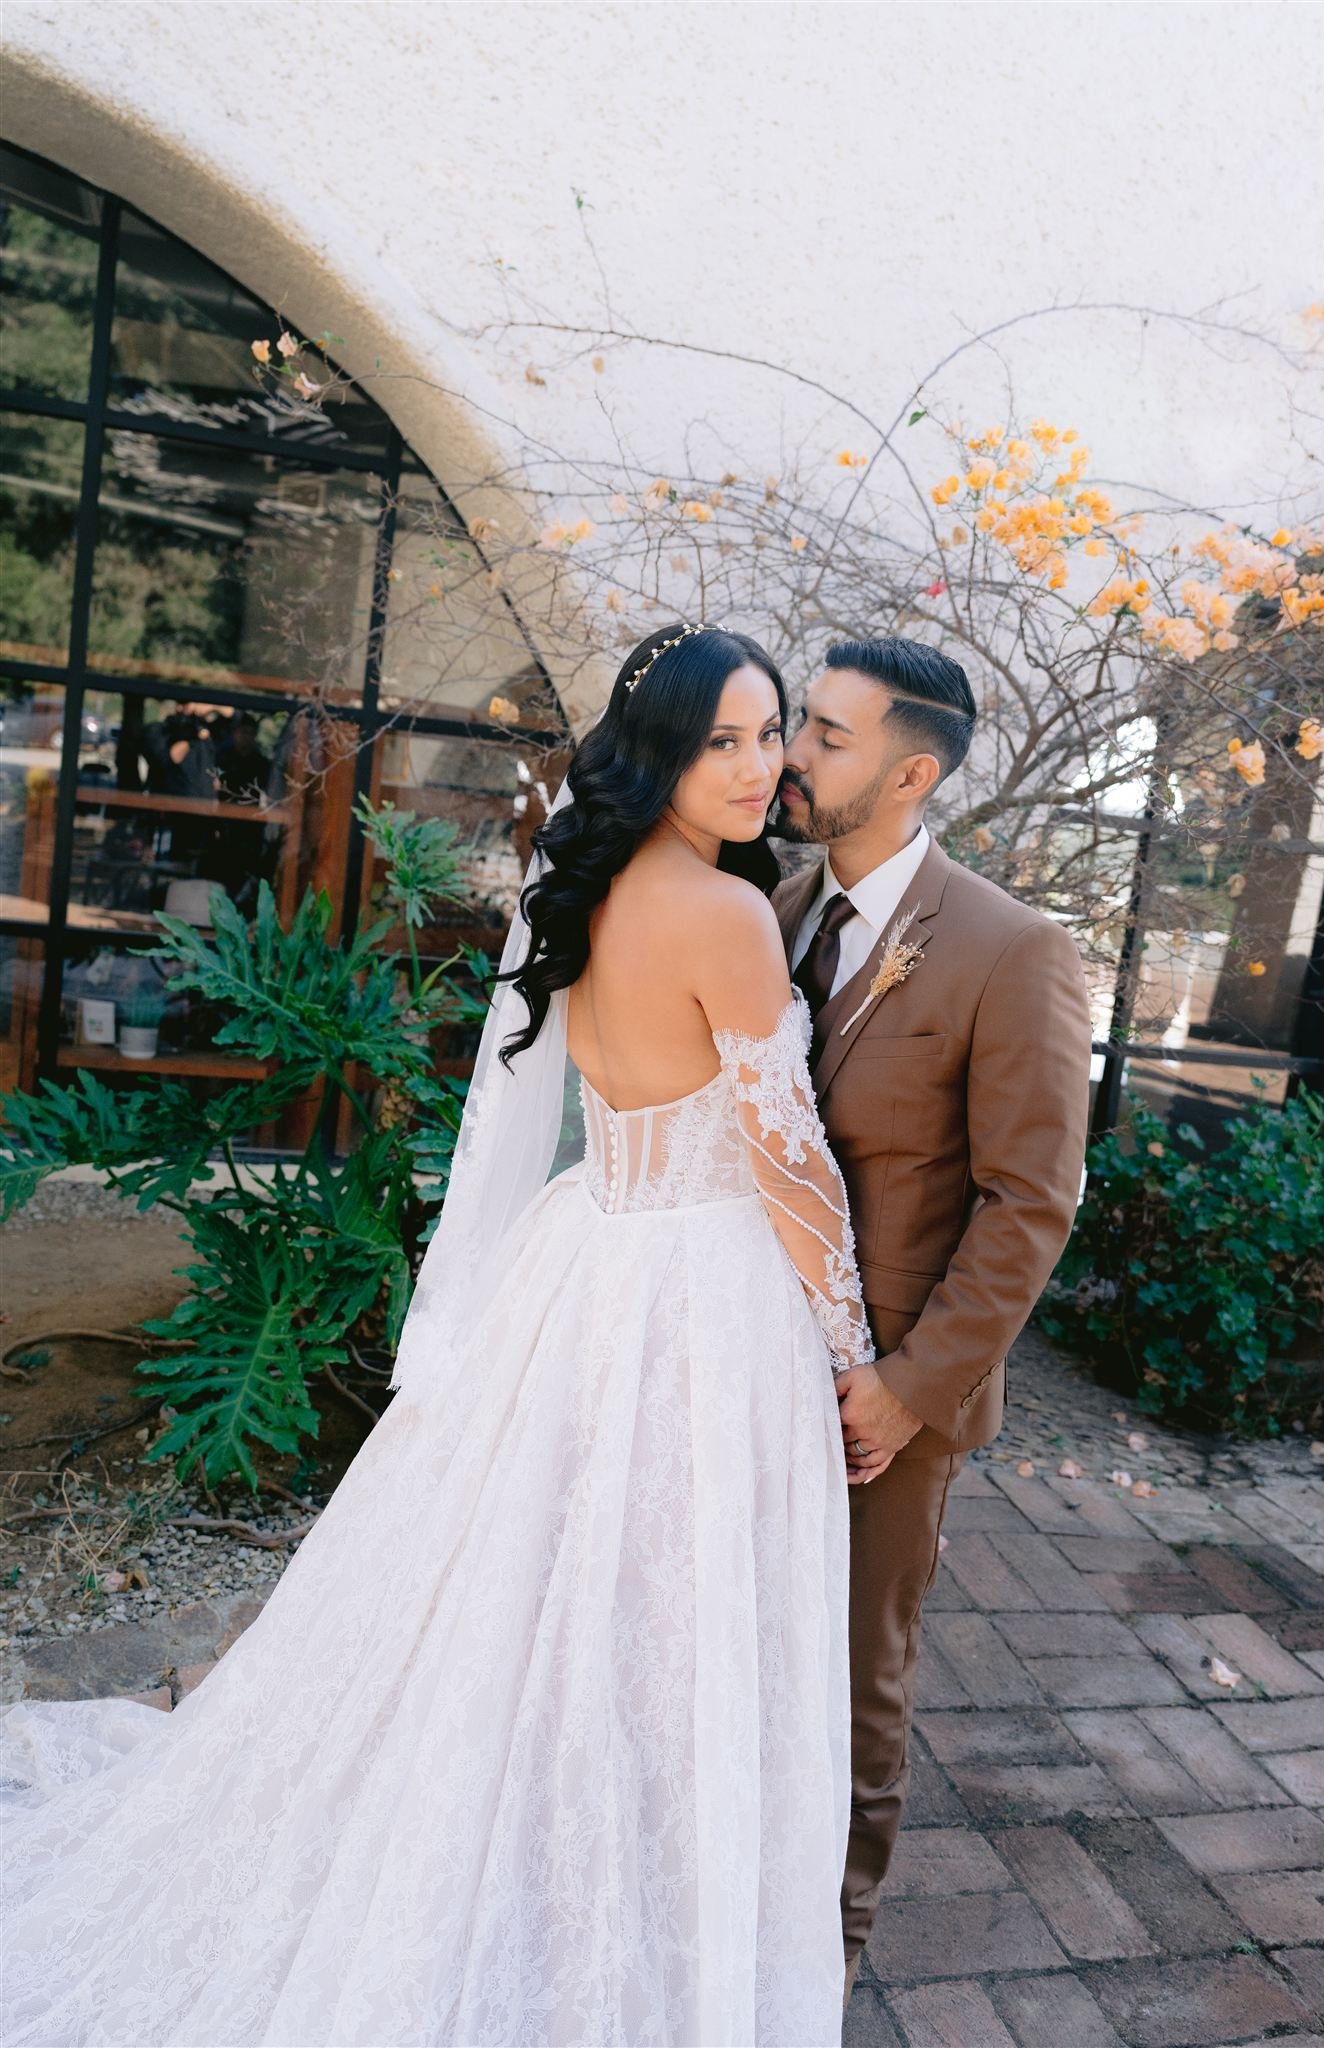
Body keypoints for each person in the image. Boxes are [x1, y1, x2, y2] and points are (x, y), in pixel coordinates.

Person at [1, 625, 866, 2048]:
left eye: (771, 735)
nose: (756, 765)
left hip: (586, 1253)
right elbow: (783, 1156)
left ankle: (529, 1836)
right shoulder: (722, 916)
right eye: (721, 738)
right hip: (693, 1283)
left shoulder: (579, 891)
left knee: (540, 1578)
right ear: (655, 751)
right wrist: (845, 1342)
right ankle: (603, 1877)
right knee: (656, 1596)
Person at [771, 636, 1094, 2000]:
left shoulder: (1010, 950)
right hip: (741, 1355)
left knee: (856, 1675)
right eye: (801, 721)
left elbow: (1031, 1201)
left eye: (827, 737)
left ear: (910, 772)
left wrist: (909, 1385)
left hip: (884, 1404)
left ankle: (824, 1958)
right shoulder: (777, 906)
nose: (793, 752)